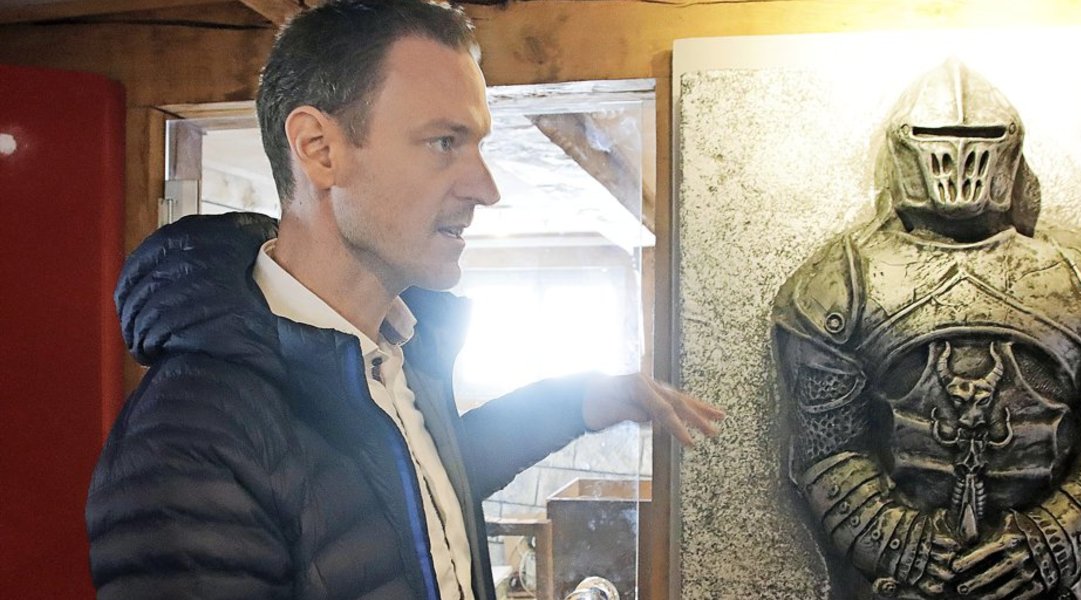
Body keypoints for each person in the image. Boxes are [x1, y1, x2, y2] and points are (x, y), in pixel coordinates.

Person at [85, 1, 723, 598]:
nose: (487, 188)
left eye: (478, 145)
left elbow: (422, 479)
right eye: (444, 142)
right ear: (319, 149)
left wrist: (583, 400)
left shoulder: (395, 350)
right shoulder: (188, 438)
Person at [772, 61, 1081, 599]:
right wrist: (900, 543)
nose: (958, 156)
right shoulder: (844, 282)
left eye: (982, 136)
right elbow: (827, 450)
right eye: (935, 135)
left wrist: (1053, 535)